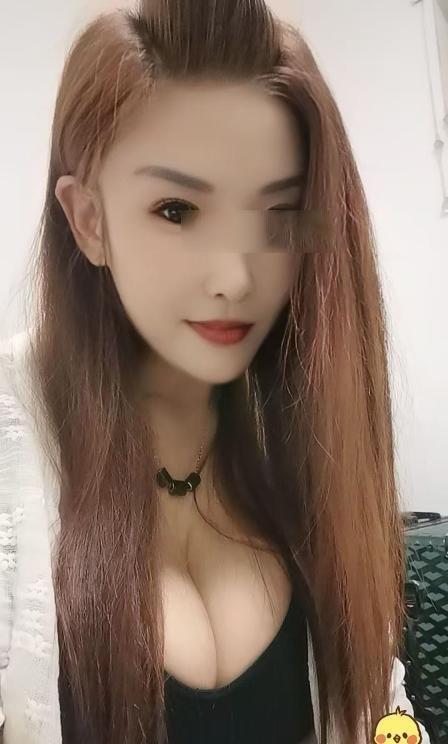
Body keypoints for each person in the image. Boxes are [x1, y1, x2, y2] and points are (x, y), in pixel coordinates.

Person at [0, 1, 432, 743]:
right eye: (176, 210)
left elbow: (385, 713)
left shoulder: (308, 440)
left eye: (277, 216)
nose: (234, 277)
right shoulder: (15, 452)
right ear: (88, 220)